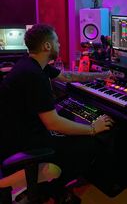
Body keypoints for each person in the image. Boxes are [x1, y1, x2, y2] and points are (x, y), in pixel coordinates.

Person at [0, 23, 114, 203]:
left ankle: (51, 182)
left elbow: (67, 76)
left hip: (15, 132)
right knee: (92, 142)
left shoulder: (31, 63)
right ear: (47, 46)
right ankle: (54, 187)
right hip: (20, 144)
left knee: (69, 119)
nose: (60, 45)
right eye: (57, 41)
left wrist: (102, 75)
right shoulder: (35, 76)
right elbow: (53, 123)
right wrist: (93, 128)